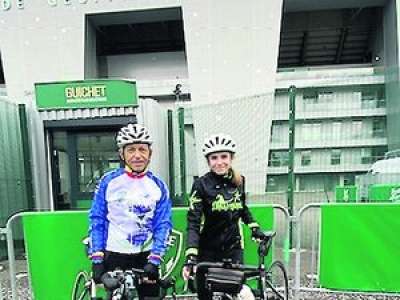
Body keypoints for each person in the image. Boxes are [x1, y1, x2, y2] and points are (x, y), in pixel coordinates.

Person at [88, 123, 172, 299]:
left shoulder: (158, 185)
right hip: (115, 254)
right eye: (131, 150)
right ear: (122, 154)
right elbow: (97, 219)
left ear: (150, 153)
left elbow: (163, 224)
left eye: (142, 149)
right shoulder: (108, 181)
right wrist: (97, 259)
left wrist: (155, 259)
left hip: (145, 256)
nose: (137, 155)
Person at [182, 133, 265, 300]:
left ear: (231, 158)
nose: (219, 162)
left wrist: (254, 227)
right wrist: (191, 254)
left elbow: (242, 208)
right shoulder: (201, 185)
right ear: (208, 161)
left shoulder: (239, 180)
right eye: (214, 158)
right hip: (208, 249)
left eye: (224, 156)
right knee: (205, 294)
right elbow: (193, 221)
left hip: (233, 247)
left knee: (234, 290)